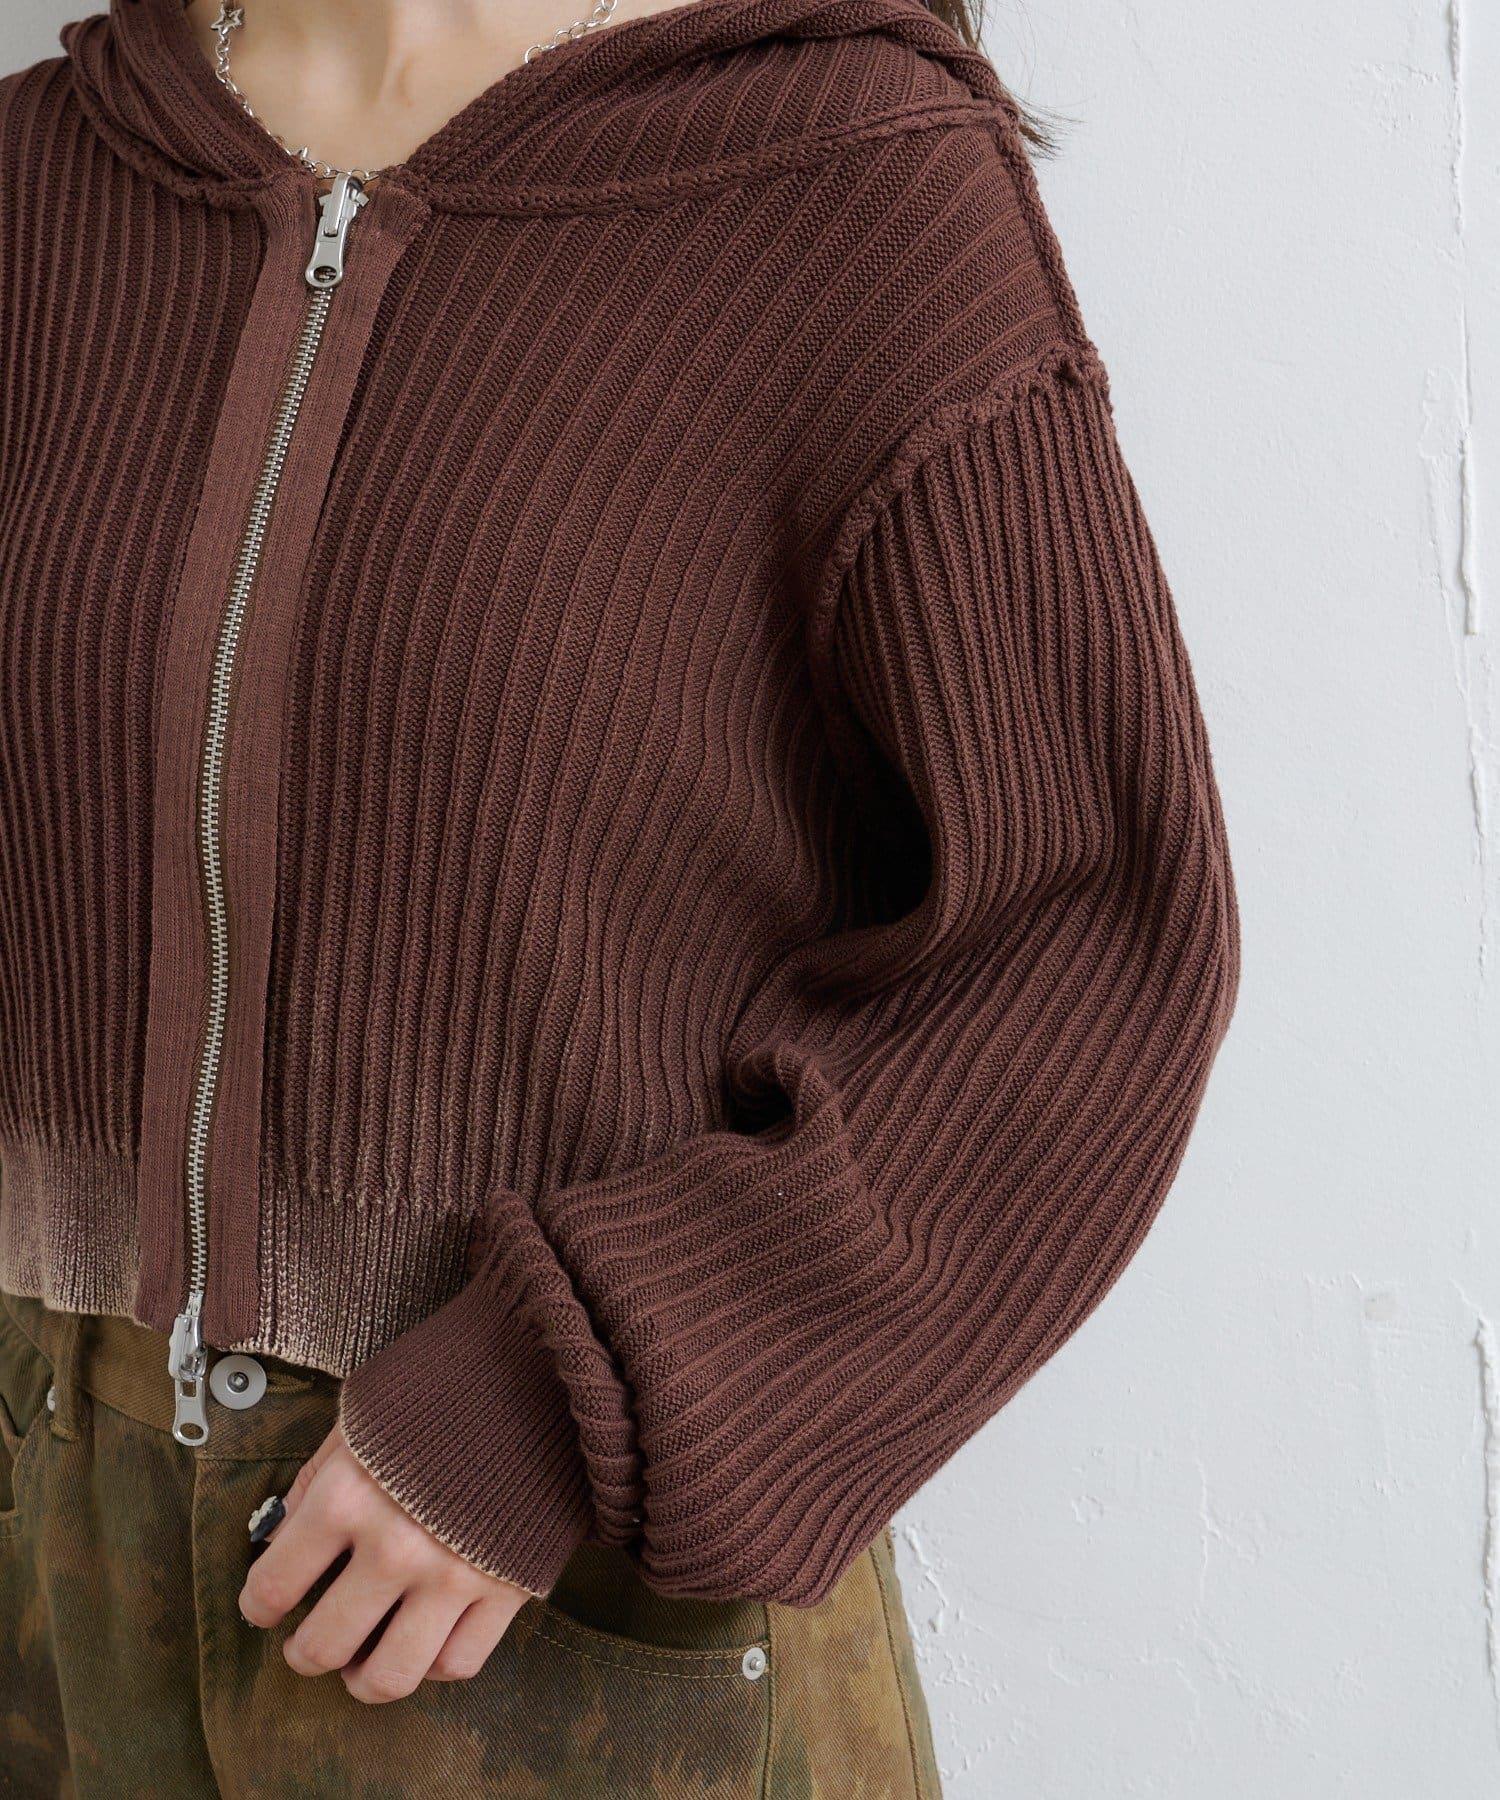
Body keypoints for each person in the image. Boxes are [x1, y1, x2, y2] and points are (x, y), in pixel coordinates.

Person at [0, 0, 1240, 1790]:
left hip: (568, 1623)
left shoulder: (851, 191)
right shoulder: (48, 180)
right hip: (53, 1582)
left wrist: (558, 1404)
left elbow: (1091, 945)